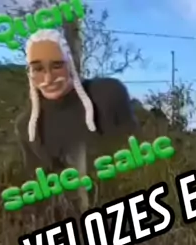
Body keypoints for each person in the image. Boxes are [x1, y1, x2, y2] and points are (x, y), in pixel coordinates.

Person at [16, 29, 137, 173]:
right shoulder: (27, 126)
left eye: (57, 66)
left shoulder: (108, 94)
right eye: (38, 69)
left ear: (70, 64)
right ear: (29, 72)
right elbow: (39, 179)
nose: (48, 78)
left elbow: (139, 156)